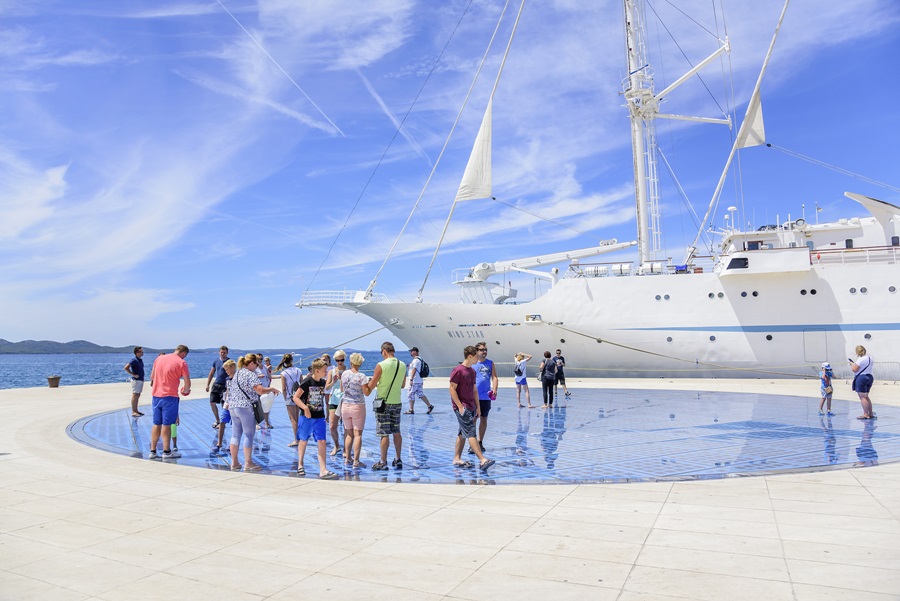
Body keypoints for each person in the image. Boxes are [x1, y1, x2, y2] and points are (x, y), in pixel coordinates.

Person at [229, 353, 280, 471]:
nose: (257, 367)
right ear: (251, 364)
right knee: (249, 434)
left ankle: (234, 462)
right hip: (245, 407)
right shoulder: (250, 374)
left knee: (235, 435)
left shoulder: (237, 373)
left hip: (233, 407)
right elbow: (260, 390)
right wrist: (272, 389)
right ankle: (248, 462)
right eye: (256, 364)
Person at [450, 346, 495, 471]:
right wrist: (459, 406)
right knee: (471, 432)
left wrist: (478, 407)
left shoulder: (472, 371)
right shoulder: (458, 370)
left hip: (471, 406)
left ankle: (457, 458)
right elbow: (452, 389)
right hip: (462, 407)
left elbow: (474, 390)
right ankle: (482, 459)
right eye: (476, 356)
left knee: (462, 432)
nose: (478, 358)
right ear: (470, 356)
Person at [293, 358, 336, 479]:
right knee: (303, 440)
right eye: (324, 370)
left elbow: (326, 389)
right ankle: (300, 464)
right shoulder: (307, 382)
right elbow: (296, 398)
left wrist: (334, 381)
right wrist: (305, 408)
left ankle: (323, 469)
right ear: (317, 371)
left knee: (322, 441)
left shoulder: (322, 382)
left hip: (319, 416)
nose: (326, 372)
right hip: (307, 417)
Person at [368, 341, 407, 470]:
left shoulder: (381, 365)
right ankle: (398, 458)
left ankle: (383, 461)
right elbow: (402, 385)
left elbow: (371, 386)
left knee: (384, 433)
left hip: (383, 403)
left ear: (384, 351)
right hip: (397, 402)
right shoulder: (402, 365)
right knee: (396, 431)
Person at [148, 345, 191, 461]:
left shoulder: (159, 359)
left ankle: (153, 451)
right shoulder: (182, 363)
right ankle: (166, 451)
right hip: (170, 396)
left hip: (156, 396)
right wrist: (185, 391)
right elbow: (187, 382)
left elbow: (152, 377)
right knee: (167, 424)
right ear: (184, 353)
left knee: (156, 423)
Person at [341, 353, 370, 468]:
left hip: (345, 406)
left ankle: (347, 458)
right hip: (358, 406)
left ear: (351, 362)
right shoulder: (361, 376)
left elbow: (342, 388)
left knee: (349, 433)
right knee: (358, 434)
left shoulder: (344, 374)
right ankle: (356, 461)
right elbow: (366, 393)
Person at [469, 342, 497, 454]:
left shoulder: (490, 363)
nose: (484, 351)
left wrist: (495, 389)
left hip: (486, 397)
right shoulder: (472, 364)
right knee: (473, 419)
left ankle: (480, 442)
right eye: (481, 350)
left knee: (484, 418)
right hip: (473, 397)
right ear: (476, 351)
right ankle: (473, 443)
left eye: (485, 349)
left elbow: (494, 377)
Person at [276, 353, 303, 447]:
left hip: (289, 397)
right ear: (292, 360)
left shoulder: (284, 373)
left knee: (293, 419)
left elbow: (283, 388)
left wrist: (285, 399)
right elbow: (302, 384)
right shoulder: (298, 370)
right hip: (298, 396)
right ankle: (300, 438)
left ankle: (296, 440)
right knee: (298, 418)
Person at [325, 350, 347, 456]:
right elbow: (327, 387)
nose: (340, 362)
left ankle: (346, 449)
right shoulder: (331, 372)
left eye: (342, 360)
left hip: (345, 400)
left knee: (347, 426)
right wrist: (333, 381)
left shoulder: (348, 371)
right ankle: (337, 445)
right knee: (332, 426)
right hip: (334, 400)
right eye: (338, 360)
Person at [205, 346, 230, 430]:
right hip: (216, 385)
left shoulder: (229, 362)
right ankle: (218, 420)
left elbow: (232, 374)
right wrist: (207, 384)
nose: (223, 354)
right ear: (219, 352)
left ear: (227, 353)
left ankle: (223, 422)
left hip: (225, 386)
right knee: (212, 402)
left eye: (224, 352)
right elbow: (211, 372)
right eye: (221, 352)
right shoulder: (216, 361)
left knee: (224, 405)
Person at [405, 347, 434, 414]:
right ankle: (429, 406)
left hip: (415, 380)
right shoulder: (420, 359)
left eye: (411, 351)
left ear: (415, 352)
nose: (410, 353)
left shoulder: (415, 360)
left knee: (410, 394)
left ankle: (411, 409)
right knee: (420, 394)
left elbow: (414, 370)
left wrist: (411, 379)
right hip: (419, 380)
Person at [850, 345, 876, 420]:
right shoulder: (870, 358)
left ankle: (865, 414)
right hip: (869, 377)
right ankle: (870, 413)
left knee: (862, 397)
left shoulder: (860, 360)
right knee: (866, 396)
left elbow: (855, 370)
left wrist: (852, 364)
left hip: (861, 378)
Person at [124, 346, 145, 417]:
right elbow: (126, 367)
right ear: (136, 353)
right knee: (135, 395)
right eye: (140, 351)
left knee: (138, 395)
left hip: (140, 380)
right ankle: (133, 411)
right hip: (136, 380)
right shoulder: (134, 360)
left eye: (142, 351)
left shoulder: (140, 360)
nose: (142, 352)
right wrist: (133, 374)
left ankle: (136, 410)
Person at [255, 352, 273, 428]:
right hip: (257, 389)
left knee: (266, 406)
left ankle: (266, 423)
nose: (260, 360)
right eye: (258, 359)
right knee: (256, 407)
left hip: (265, 389)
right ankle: (256, 424)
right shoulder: (254, 368)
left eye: (261, 359)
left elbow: (269, 376)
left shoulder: (265, 367)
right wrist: (258, 376)